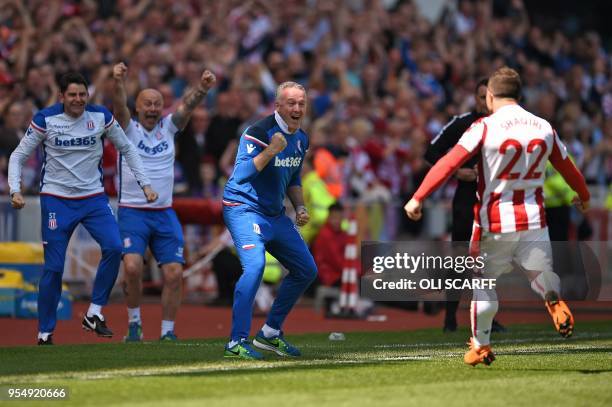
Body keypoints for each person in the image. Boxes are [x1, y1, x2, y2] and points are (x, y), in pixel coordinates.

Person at [404, 67, 590, 366]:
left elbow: (449, 163)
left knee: (482, 282)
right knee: (539, 274)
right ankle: (553, 298)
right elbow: (568, 168)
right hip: (534, 220)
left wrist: (418, 197)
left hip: (494, 220)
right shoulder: (544, 127)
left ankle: (481, 346)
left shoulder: (484, 126)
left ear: (490, 96)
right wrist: (584, 196)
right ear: (519, 95)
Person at [8, 71, 157, 345]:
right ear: (61, 96)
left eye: (82, 94)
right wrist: (15, 189)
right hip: (56, 199)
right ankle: (45, 332)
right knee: (54, 268)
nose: (78, 100)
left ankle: (95, 312)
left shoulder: (100, 117)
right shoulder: (46, 119)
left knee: (114, 247)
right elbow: (18, 155)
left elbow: (128, 148)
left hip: (93, 199)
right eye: (72, 95)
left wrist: (145, 184)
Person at [112, 62, 216, 341]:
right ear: (138, 107)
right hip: (133, 211)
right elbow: (119, 107)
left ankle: (167, 333)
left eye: (157, 104)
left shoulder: (168, 128)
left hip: (163, 213)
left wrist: (203, 88)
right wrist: (119, 82)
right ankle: (134, 324)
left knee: (173, 273)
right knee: (132, 267)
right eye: (147, 104)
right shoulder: (127, 129)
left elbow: (188, 106)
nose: (153, 109)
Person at [222, 81, 317, 360]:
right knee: (255, 267)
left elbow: (294, 177)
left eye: (301, 103)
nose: (297, 108)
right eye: (291, 103)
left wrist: (299, 206)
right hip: (243, 208)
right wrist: (270, 151)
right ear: (277, 106)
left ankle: (270, 334)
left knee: (306, 270)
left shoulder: (302, 139)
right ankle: (235, 342)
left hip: (274, 214)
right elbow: (239, 176)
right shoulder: (258, 132)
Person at [425, 78, 505, 333]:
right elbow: (432, 151)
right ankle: (450, 317)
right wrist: (457, 171)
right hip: (467, 200)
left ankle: (487, 317)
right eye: (481, 97)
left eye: (490, 97)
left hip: (494, 200)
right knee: (460, 259)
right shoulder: (462, 123)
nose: (485, 102)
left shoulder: (506, 125)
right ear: (475, 98)